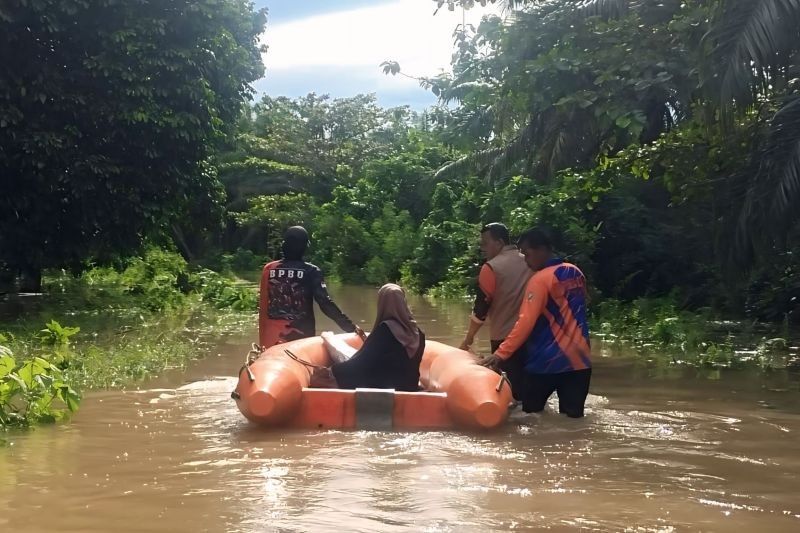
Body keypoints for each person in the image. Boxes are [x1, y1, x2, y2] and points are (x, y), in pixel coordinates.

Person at [479, 228, 592, 418]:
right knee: (573, 421)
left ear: (542, 250)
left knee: (529, 419)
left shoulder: (539, 280)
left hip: (546, 362)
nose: (525, 258)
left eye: (527, 252)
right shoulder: (575, 272)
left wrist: (499, 354)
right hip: (580, 362)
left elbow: (525, 323)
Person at [459, 223, 532, 400]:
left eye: (485, 243)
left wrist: (468, 340)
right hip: (533, 338)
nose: (482, 248)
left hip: (504, 338)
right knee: (529, 394)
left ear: (499, 243)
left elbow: (481, 310)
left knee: (510, 394)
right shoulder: (531, 260)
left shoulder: (491, 267)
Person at [258, 226, 363, 349]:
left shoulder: (269, 269)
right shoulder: (311, 271)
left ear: (283, 245)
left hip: (271, 340)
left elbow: (263, 309)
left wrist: (262, 345)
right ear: (305, 247)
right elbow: (325, 304)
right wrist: (350, 328)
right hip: (300, 339)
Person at [315, 283, 425, 391]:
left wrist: (333, 370)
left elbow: (361, 362)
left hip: (385, 385)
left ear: (382, 303)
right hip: (410, 385)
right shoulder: (418, 332)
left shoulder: (386, 330)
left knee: (321, 379)